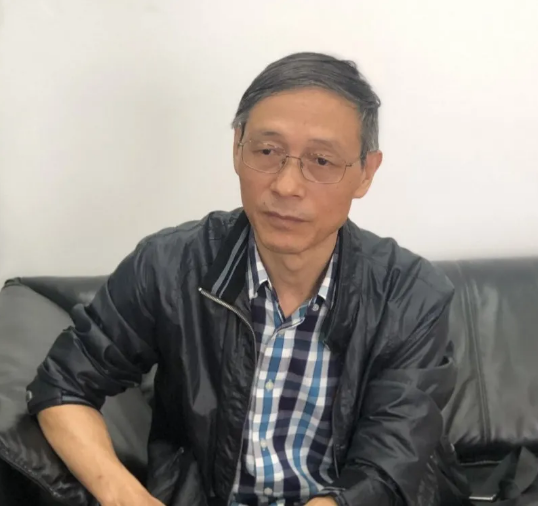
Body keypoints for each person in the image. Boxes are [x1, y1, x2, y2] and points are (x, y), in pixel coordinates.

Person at [26, 52, 461, 506]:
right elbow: (63, 385)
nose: (287, 186)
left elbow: (388, 469)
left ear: (366, 173)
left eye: (322, 160)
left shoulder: (410, 296)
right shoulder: (170, 265)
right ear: (237, 147)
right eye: (267, 152)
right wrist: (123, 495)